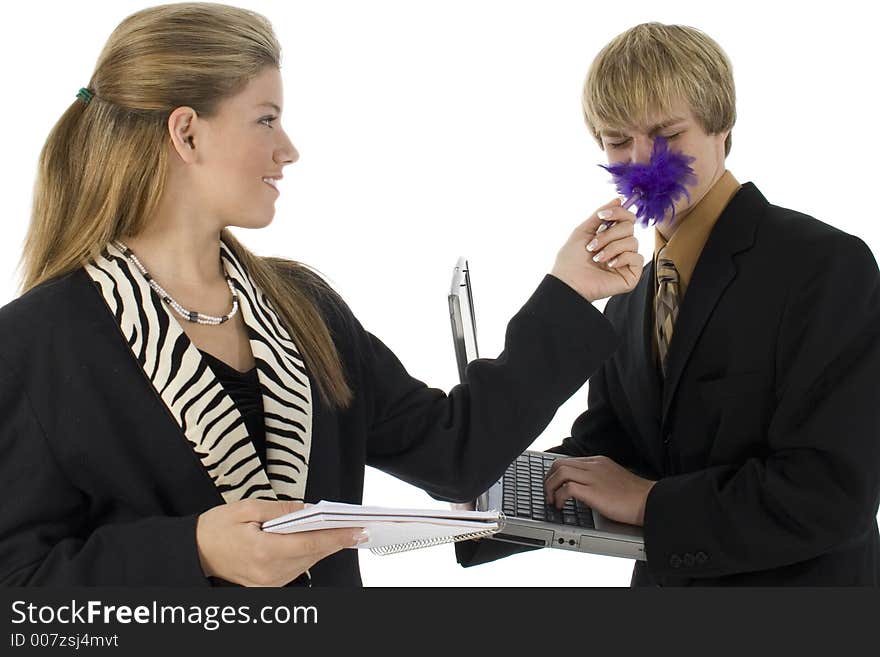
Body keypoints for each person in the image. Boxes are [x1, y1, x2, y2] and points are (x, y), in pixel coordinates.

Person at [0, 2, 644, 587]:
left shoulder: (301, 306)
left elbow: (457, 454)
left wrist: (570, 292)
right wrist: (192, 551)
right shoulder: (35, 344)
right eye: (266, 120)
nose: (289, 150)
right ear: (187, 133)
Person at [457, 22, 880, 585]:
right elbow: (613, 447)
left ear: (722, 125)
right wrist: (484, 494)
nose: (642, 161)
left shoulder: (825, 266)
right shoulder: (630, 294)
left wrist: (652, 503)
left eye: (667, 134)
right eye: (616, 141)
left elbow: (834, 490)